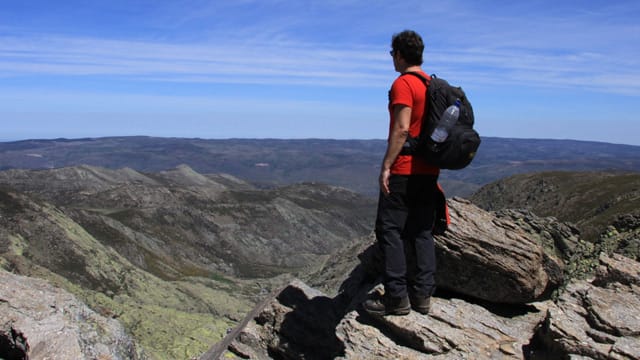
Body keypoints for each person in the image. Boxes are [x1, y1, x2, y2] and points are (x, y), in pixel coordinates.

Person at [363, 30, 439, 316]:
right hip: (429, 169)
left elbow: (402, 127)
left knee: (389, 230)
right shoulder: (432, 84)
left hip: (405, 168)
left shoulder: (404, 84)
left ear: (399, 54)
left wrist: (386, 165)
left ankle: (396, 298)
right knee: (421, 230)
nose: (391, 59)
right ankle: (422, 296)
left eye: (392, 54)